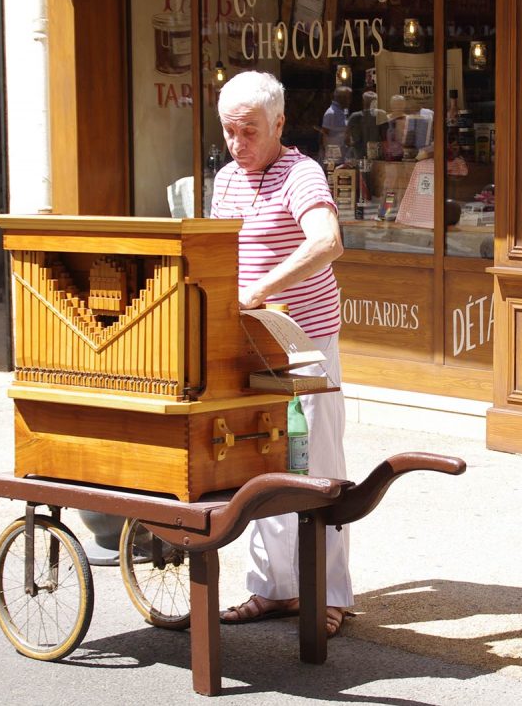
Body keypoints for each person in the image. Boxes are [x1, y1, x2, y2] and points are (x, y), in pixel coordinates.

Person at [209, 71, 353, 638]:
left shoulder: (302, 173)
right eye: (228, 132)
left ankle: (331, 594)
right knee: (261, 463)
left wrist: (261, 287)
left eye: (248, 132)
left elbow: (327, 241)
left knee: (316, 465)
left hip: (305, 344)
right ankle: (273, 589)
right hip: (251, 345)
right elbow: (219, 252)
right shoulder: (226, 180)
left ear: (278, 124)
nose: (237, 144)